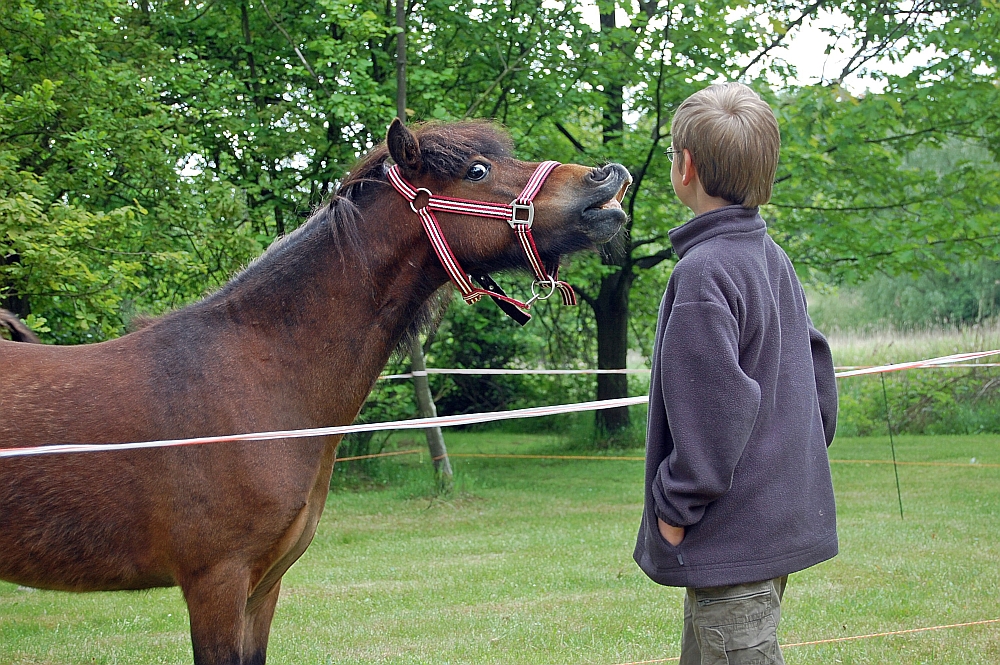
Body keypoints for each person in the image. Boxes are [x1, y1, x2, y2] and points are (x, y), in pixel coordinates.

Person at [633, 82, 839, 665]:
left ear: (686, 167)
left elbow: (715, 411)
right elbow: (818, 376)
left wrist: (675, 509)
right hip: (766, 526)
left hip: (730, 535)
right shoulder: (771, 257)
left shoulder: (704, 272)